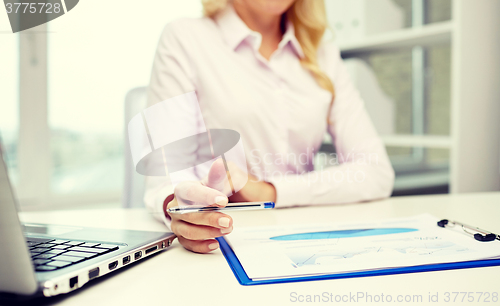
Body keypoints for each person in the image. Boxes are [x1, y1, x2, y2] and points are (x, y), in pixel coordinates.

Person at [144, 0, 395, 253]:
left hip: (304, 237)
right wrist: (182, 208)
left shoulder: (323, 54)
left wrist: (269, 192)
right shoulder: (185, 37)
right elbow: (166, 179)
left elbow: (376, 173)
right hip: (224, 239)